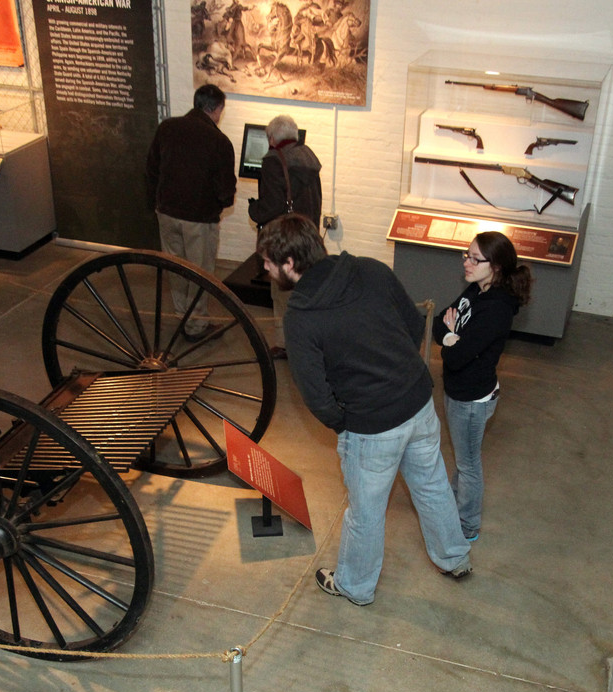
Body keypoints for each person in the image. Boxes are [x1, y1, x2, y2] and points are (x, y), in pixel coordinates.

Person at [257, 214, 473, 606]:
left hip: (372, 429)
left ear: (289, 264)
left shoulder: (301, 318)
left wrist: (346, 422)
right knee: (433, 486)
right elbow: (412, 325)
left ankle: (355, 586)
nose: (265, 268)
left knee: (366, 512)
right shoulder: (371, 269)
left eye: (269, 261)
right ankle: (454, 558)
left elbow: (315, 394)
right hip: (418, 403)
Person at [432, 231, 532, 544]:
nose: (467, 262)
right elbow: (437, 323)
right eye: (466, 255)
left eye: (476, 259)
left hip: (472, 398)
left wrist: (451, 336)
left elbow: (458, 355)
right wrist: (449, 335)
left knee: (468, 464)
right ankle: (454, 504)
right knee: (464, 459)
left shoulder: (496, 308)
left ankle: (466, 526)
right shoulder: (475, 291)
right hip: (457, 391)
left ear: (497, 266)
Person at [146, 84, 237, 341]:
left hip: (167, 212)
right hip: (199, 219)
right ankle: (195, 325)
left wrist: (158, 202)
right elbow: (225, 190)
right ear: (217, 109)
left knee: (176, 268)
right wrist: (220, 205)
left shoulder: (167, 128)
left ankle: (181, 316)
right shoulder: (219, 141)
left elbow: (151, 169)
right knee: (200, 271)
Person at [248, 114, 322, 360]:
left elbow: (271, 206)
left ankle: (285, 343)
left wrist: (253, 209)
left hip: (284, 237)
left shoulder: (273, 161)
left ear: (271, 138)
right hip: (306, 234)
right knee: (305, 290)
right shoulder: (308, 156)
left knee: (280, 294)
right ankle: (309, 339)